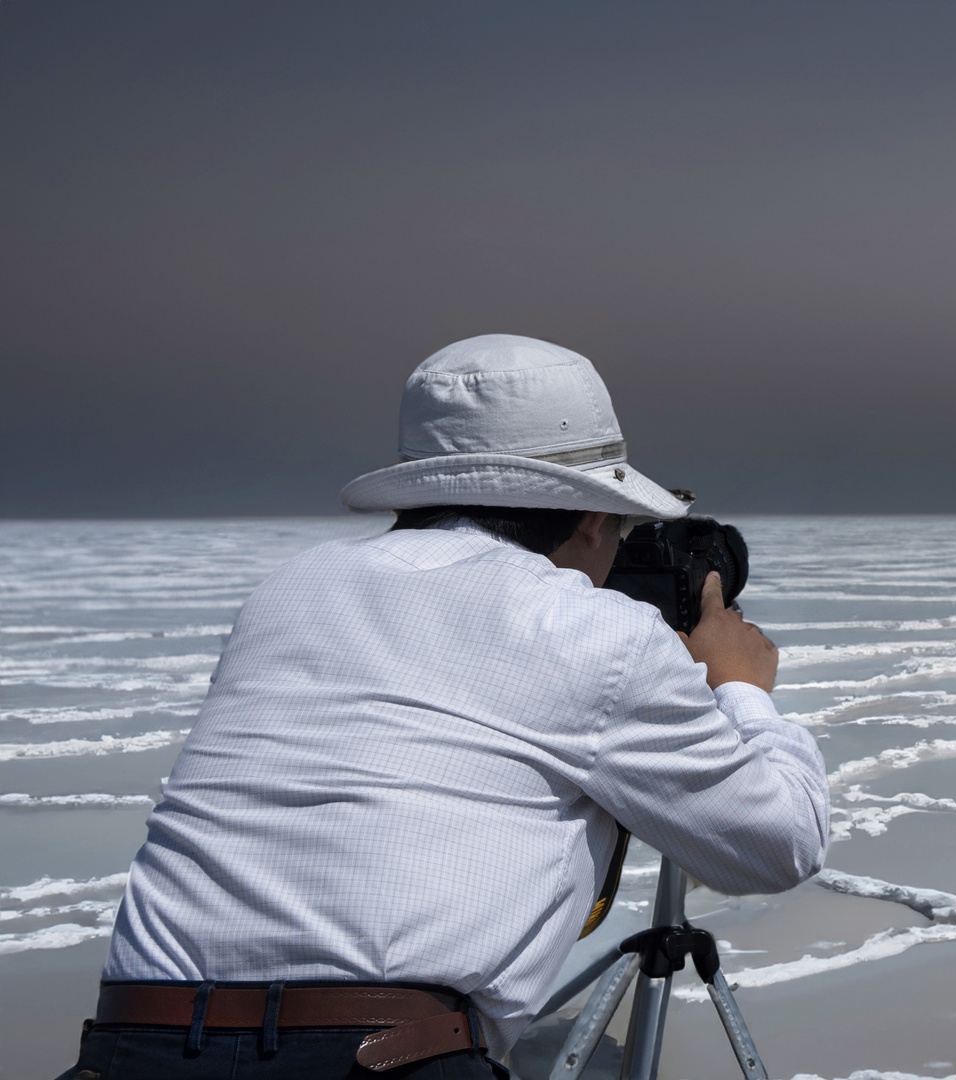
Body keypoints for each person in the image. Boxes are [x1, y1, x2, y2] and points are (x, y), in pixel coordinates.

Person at [60, 334, 829, 1079]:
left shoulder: (289, 591)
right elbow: (775, 844)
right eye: (623, 527)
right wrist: (738, 688)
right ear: (594, 516)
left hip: (133, 1038)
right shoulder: (595, 631)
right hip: (382, 1055)